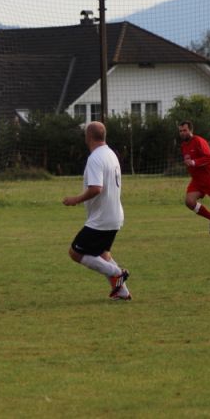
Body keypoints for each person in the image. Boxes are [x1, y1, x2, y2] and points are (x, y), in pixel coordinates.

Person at [63, 121, 131, 301]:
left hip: (102, 219)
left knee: (75, 252)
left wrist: (74, 200)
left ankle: (117, 272)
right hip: (114, 216)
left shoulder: (95, 158)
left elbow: (96, 188)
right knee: (103, 254)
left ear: (88, 137)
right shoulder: (111, 154)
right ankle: (122, 291)